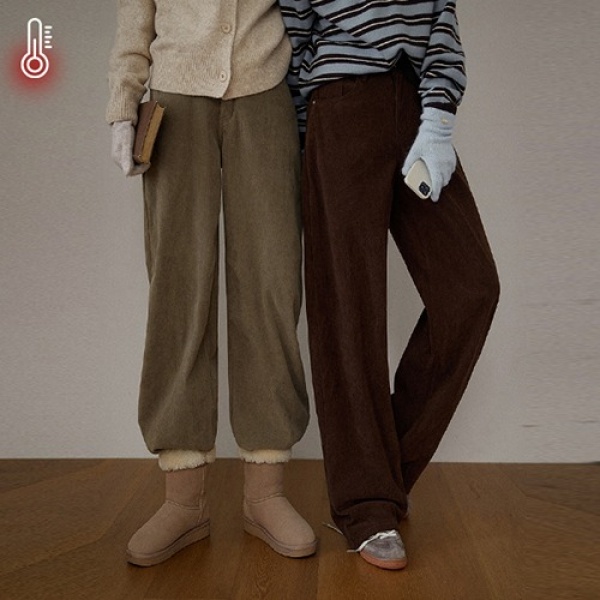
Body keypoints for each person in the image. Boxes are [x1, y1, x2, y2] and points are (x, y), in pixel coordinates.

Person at [279, 0, 500, 570]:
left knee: (471, 290)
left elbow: (442, 20)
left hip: (418, 108)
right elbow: (294, 36)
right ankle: (365, 505)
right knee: (348, 309)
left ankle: (378, 475)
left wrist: (439, 118)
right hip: (340, 104)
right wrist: (305, 145)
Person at [106, 0, 316, 566]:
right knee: (177, 290)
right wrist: (123, 105)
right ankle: (184, 498)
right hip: (175, 96)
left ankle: (265, 491)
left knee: (272, 283)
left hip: (266, 90)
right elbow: (135, 12)